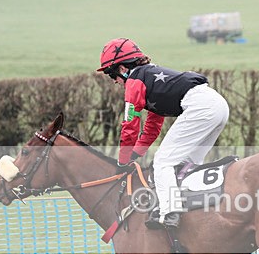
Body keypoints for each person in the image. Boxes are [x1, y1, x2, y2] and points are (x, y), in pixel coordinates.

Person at [97, 37, 229, 229]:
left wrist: (123, 160)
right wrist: (136, 154)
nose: (115, 82)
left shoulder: (135, 81)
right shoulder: (150, 79)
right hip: (218, 105)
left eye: (112, 75)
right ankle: (195, 209)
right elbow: (152, 127)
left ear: (122, 69)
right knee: (187, 165)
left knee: (163, 162)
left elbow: (130, 125)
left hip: (202, 108)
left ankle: (169, 213)